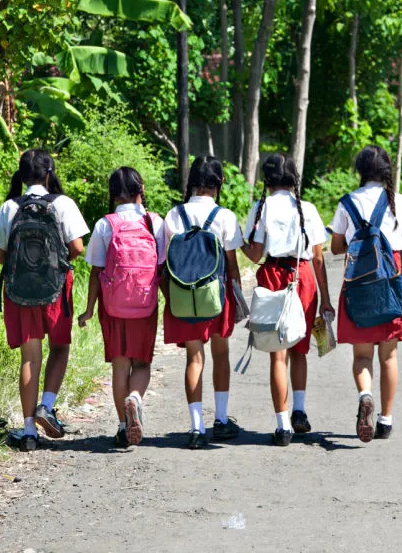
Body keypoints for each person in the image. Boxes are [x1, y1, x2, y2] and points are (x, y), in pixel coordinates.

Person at [0, 149, 89, 451]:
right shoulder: (63, 204)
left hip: (20, 291)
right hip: (56, 290)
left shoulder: (9, 207)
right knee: (60, 347)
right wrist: (55, 263)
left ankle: (29, 430)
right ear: (49, 174)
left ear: (21, 175)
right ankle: (47, 405)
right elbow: (78, 247)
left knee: (29, 357)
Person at [330, 145, 402, 443]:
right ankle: (385, 419)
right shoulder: (399, 202)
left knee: (362, 355)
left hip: (360, 279)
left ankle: (365, 394)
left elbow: (336, 247)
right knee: (389, 355)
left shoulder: (347, 203)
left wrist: (358, 241)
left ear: (360, 170)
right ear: (387, 171)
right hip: (393, 277)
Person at [242, 153, 332, 446]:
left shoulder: (261, 208)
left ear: (267, 178)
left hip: (273, 277)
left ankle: (282, 427)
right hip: (303, 277)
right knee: (299, 349)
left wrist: (236, 243)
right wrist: (326, 300)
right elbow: (317, 258)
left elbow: (255, 255)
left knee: (277, 353)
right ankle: (300, 411)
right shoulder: (307, 208)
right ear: (294, 177)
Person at [78, 167, 166, 449]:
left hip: (113, 306)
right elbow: (161, 267)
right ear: (141, 188)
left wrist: (89, 309)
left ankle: (122, 425)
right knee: (142, 363)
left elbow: (95, 271)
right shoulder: (154, 222)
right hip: (145, 304)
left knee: (120, 364)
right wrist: (170, 303)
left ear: (113, 193)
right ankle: (136, 398)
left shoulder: (106, 224)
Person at [163, 157, 244, 449]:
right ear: (219, 183)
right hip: (216, 295)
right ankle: (221, 420)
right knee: (221, 354)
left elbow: (165, 262)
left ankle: (196, 426)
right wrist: (236, 295)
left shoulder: (174, 215)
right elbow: (232, 263)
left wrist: (169, 297)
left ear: (192, 182)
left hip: (184, 295)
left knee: (193, 358)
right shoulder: (225, 216)